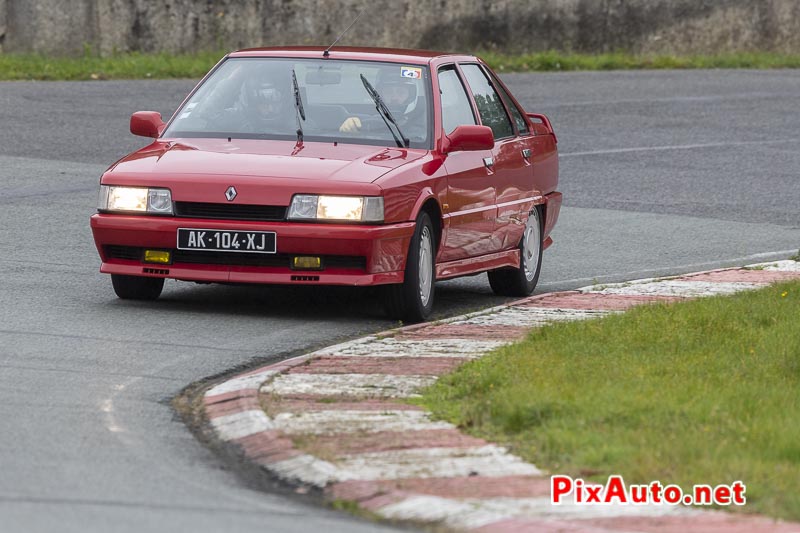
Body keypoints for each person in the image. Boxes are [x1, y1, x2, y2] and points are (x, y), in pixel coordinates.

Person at [339, 75, 426, 141]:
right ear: (380, 94)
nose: (394, 97)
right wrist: (349, 127)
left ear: (410, 96)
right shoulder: (366, 112)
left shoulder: (424, 118)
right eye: (388, 92)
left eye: (401, 92)